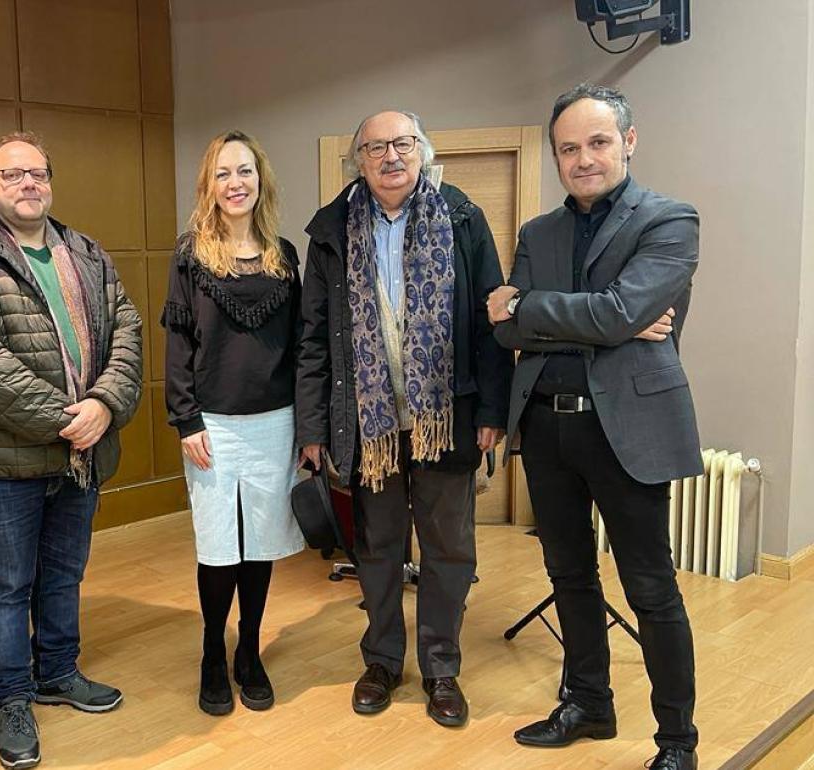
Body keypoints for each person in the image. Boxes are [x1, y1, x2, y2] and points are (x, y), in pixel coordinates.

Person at [488, 83, 700, 770]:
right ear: (556, 156)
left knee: (650, 589)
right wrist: (601, 319)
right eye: (569, 148)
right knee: (569, 576)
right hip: (547, 429)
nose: (584, 159)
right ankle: (590, 705)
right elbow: (507, 331)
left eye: (598, 142)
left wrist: (536, 310)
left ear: (629, 142)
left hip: (629, 431)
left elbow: (604, 314)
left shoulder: (669, 221)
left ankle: (677, 742)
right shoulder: (537, 232)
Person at [0, 131, 143, 770]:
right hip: (5, 460)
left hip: (83, 451)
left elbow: (126, 328)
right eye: (13, 174)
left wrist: (104, 404)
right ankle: (12, 695)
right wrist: (64, 420)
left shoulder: (86, 252)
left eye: (38, 173)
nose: (29, 185)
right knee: (4, 584)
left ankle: (56, 672)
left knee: (64, 574)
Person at [297, 110, 513, 727]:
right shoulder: (333, 231)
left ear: (422, 150)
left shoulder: (463, 217)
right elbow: (314, 338)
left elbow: (489, 323)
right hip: (368, 421)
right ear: (357, 161)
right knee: (378, 545)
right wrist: (314, 427)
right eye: (375, 147)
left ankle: (442, 667)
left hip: (449, 414)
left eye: (402, 144)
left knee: (449, 547)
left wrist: (493, 409)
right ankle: (383, 660)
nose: (390, 156)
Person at [162, 130, 305, 717]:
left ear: (260, 180)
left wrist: (310, 426)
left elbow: (301, 347)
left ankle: (250, 650)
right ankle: (212, 655)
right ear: (209, 185)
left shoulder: (285, 255)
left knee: (261, 545)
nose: (235, 183)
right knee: (220, 547)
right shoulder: (190, 254)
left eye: (244, 171)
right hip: (212, 425)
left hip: (276, 421)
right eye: (223, 173)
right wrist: (184, 416)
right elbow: (177, 342)